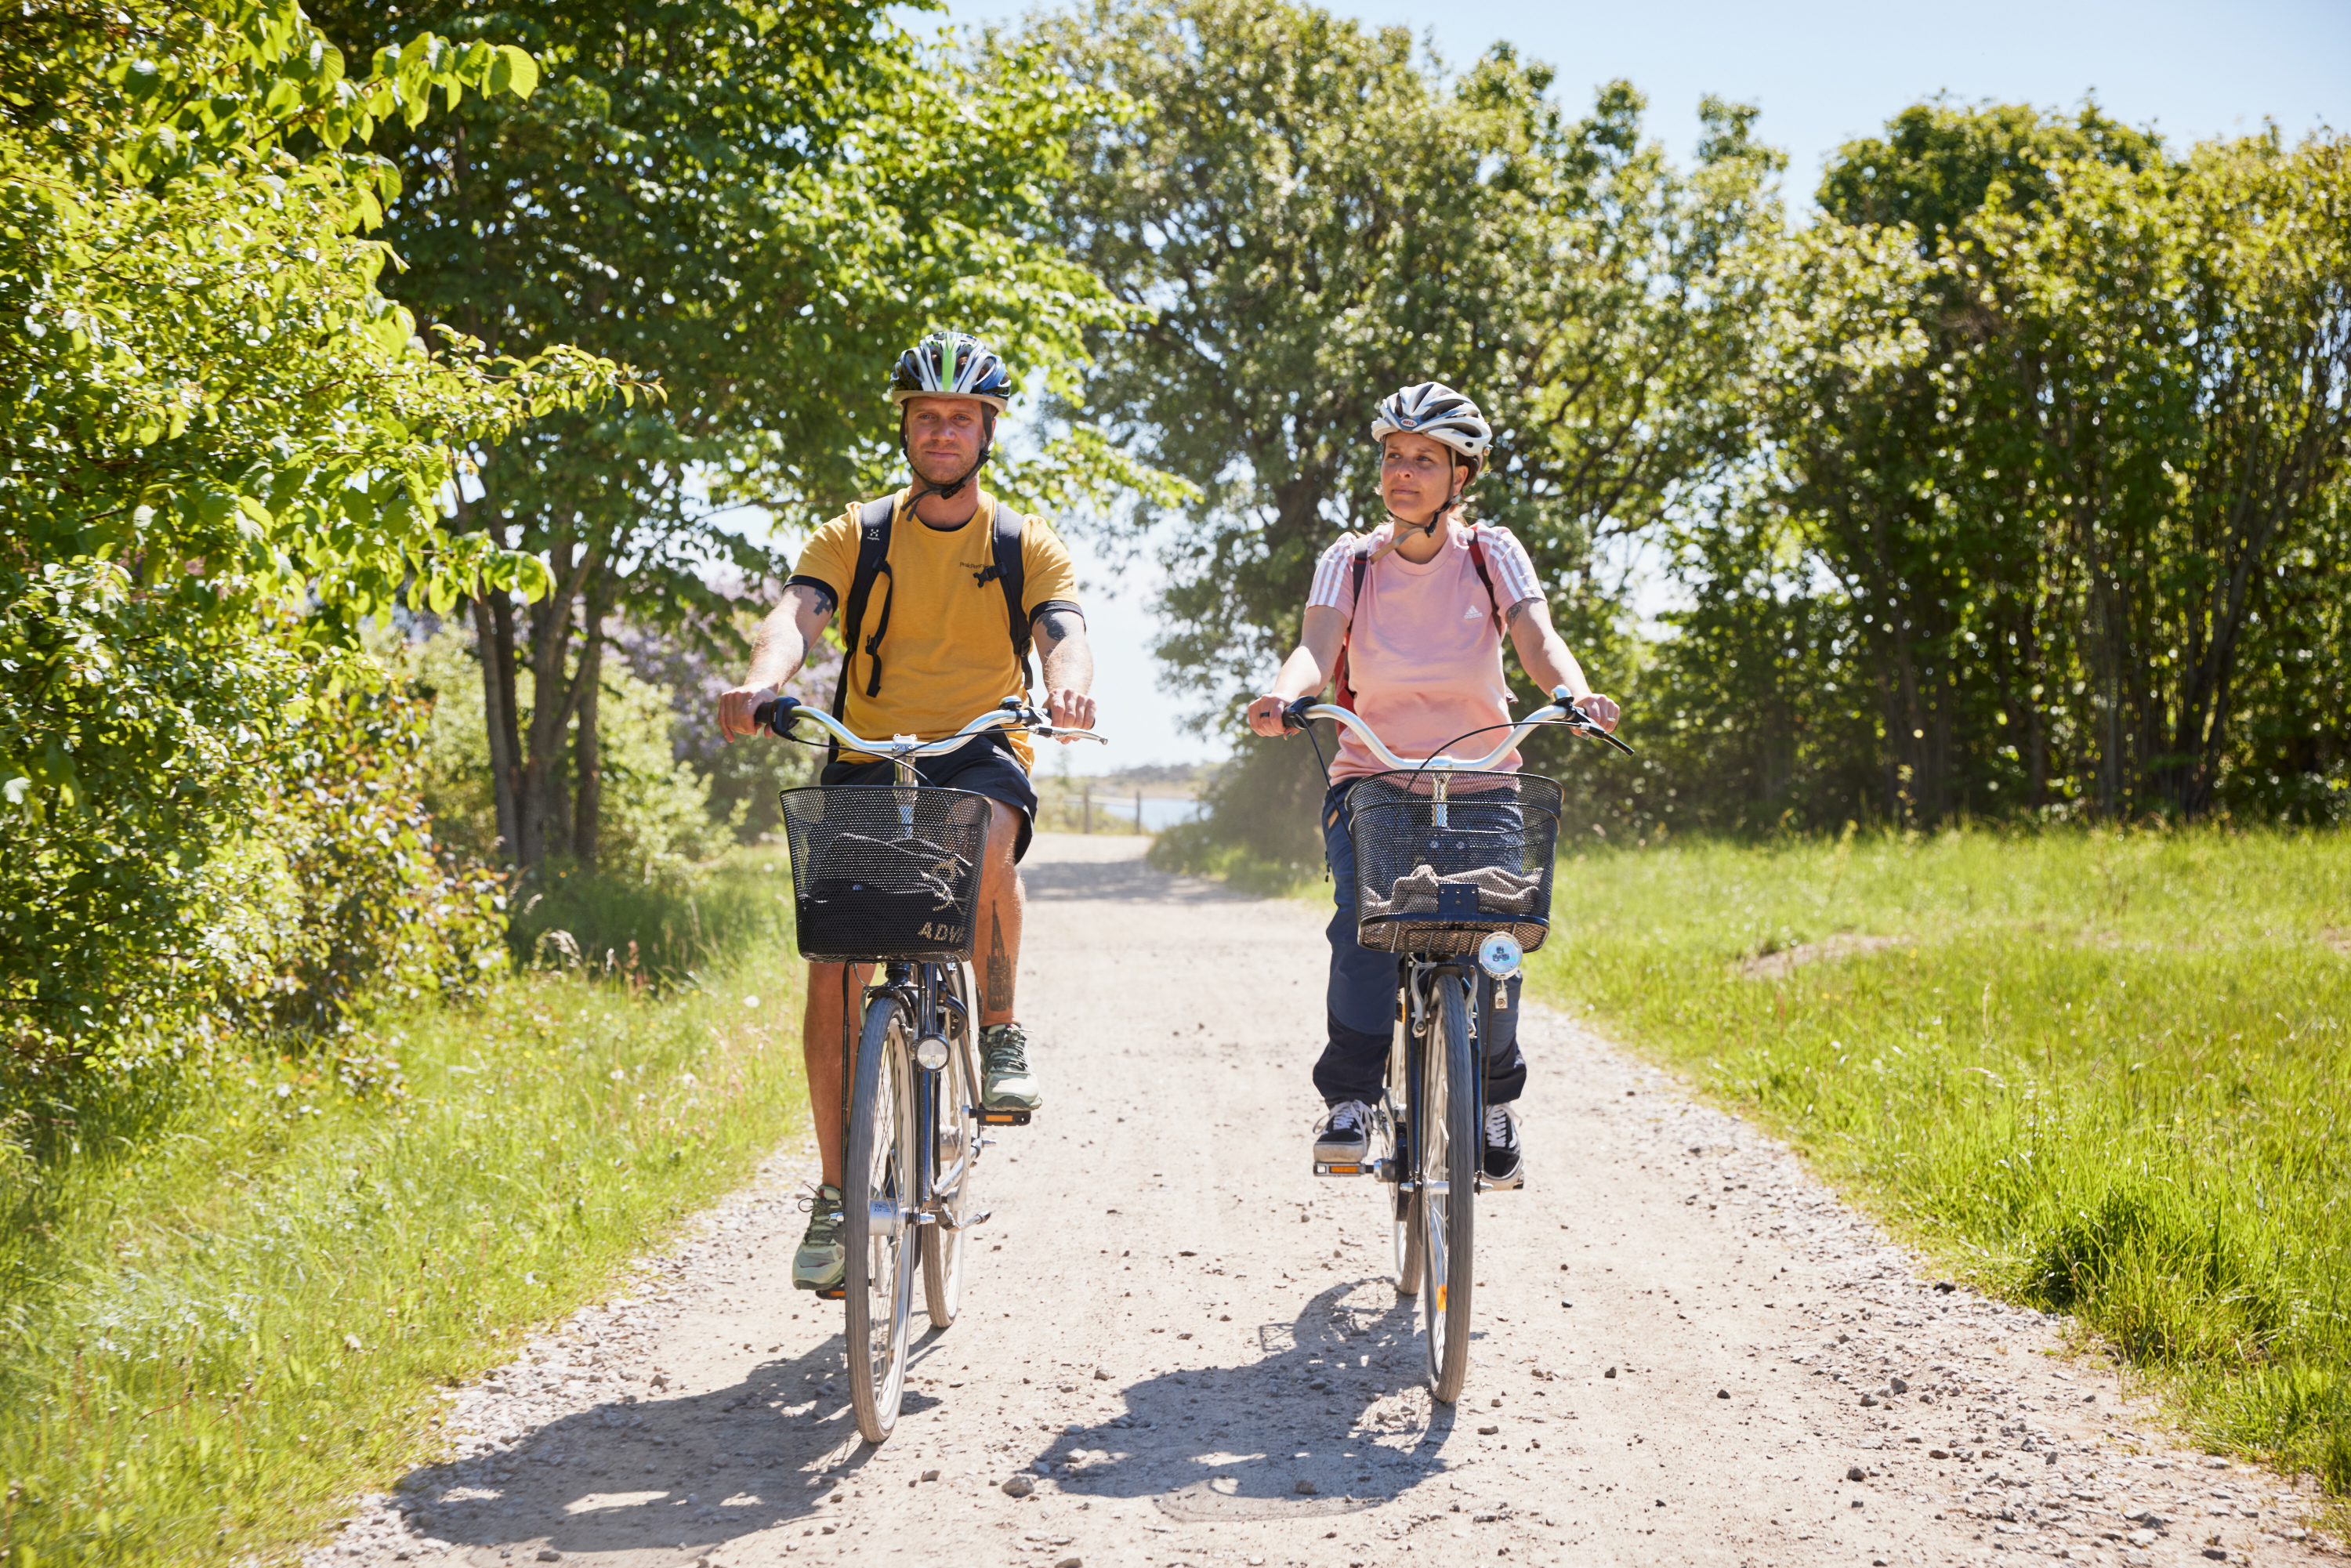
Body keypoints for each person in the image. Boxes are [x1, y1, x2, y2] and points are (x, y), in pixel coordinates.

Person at [717, 331, 1097, 1291]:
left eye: (959, 420)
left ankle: (1001, 1028)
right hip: (868, 753)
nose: (941, 433)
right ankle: (838, 1195)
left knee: (986, 847)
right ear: (906, 426)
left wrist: (1069, 691)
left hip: (979, 744)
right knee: (834, 971)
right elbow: (796, 617)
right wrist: (762, 683)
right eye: (926, 417)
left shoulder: (1020, 542)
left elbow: (1064, 632)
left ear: (986, 433)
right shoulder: (858, 534)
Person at [1244, 382, 1620, 1188]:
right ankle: (1350, 1101)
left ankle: (1492, 1100)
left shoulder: (1491, 553)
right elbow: (1317, 644)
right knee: (1365, 929)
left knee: (1498, 939)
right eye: (1392, 457)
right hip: (1375, 778)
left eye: (1424, 460)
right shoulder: (1351, 559)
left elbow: (1537, 636)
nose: (1403, 473)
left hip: (1482, 777)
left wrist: (1575, 693)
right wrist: (1288, 694)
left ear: (1462, 476)